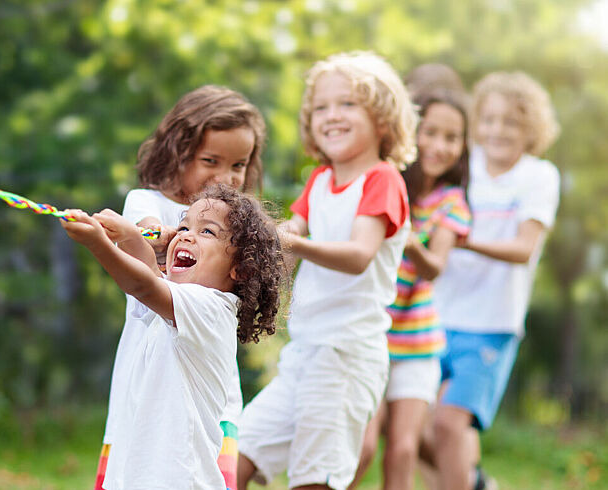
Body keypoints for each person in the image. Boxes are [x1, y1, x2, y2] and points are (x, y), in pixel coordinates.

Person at [237, 51, 417, 490]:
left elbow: (358, 255)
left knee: (312, 480)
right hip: (304, 353)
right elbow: (288, 240)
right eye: (321, 107)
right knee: (234, 457)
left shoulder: (382, 180)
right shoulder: (319, 179)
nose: (331, 115)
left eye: (348, 104)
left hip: (346, 358)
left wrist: (292, 241)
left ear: (382, 118)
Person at [96, 85, 268, 490]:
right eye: (211, 160)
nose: (225, 177)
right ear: (178, 152)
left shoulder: (233, 228)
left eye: (238, 165)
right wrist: (151, 235)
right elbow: (144, 233)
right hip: (142, 391)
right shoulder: (146, 201)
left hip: (211, 400)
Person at [62, 184, 283, 489]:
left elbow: (142, 284)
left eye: (207, 232)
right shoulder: (176, 303)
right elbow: (149, 273)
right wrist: (128, 235)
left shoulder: (212, 309)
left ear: (240, 270)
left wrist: (100, 245)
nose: (185, 235)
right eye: (183, 225)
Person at [428, 71, 561, 490]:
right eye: (489, 119)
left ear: (532, 130)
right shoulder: (462, 165)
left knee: (450, 424)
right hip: (435, 314)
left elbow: (524, 249)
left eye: (512, 122)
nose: (497, 130)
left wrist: (461, 240)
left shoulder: (538, 175)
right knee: (419, 429)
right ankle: (475, 482)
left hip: (491, 325)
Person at [349, 89, 471, 490]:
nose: (439, 145)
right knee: (362, 446)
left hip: (418, 342)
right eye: (430, 132)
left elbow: (434, 267)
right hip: (372, 336)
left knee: (403, 450)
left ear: (462, 147)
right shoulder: (384, 181)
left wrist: (405, 234)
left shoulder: (451, 202)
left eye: (451, 138)